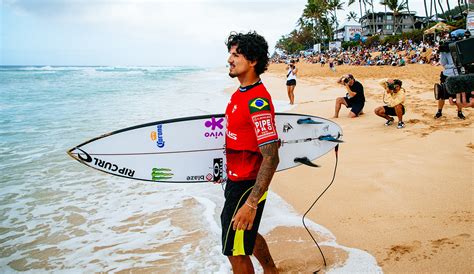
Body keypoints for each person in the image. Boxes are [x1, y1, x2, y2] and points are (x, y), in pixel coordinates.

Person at [223, 31, 280, 274]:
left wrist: (251, 203)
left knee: (235, 252)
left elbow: (271, 156)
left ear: (253, 61)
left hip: (247, 185)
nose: (229, 59)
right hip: (236, 179)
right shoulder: (239, 94)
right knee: (247, 235)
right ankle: (272, 270)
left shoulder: (258, 101)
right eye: (230, 53)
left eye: (236, 54)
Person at [434, 37, 466, 120]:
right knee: (442, 93)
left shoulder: (459, 50)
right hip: (448, 74)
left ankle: (459, 112)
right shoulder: (445, 52)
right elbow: (443, 64)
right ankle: (439, 111)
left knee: (459, 94)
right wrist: (453, 66)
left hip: (458, 74)